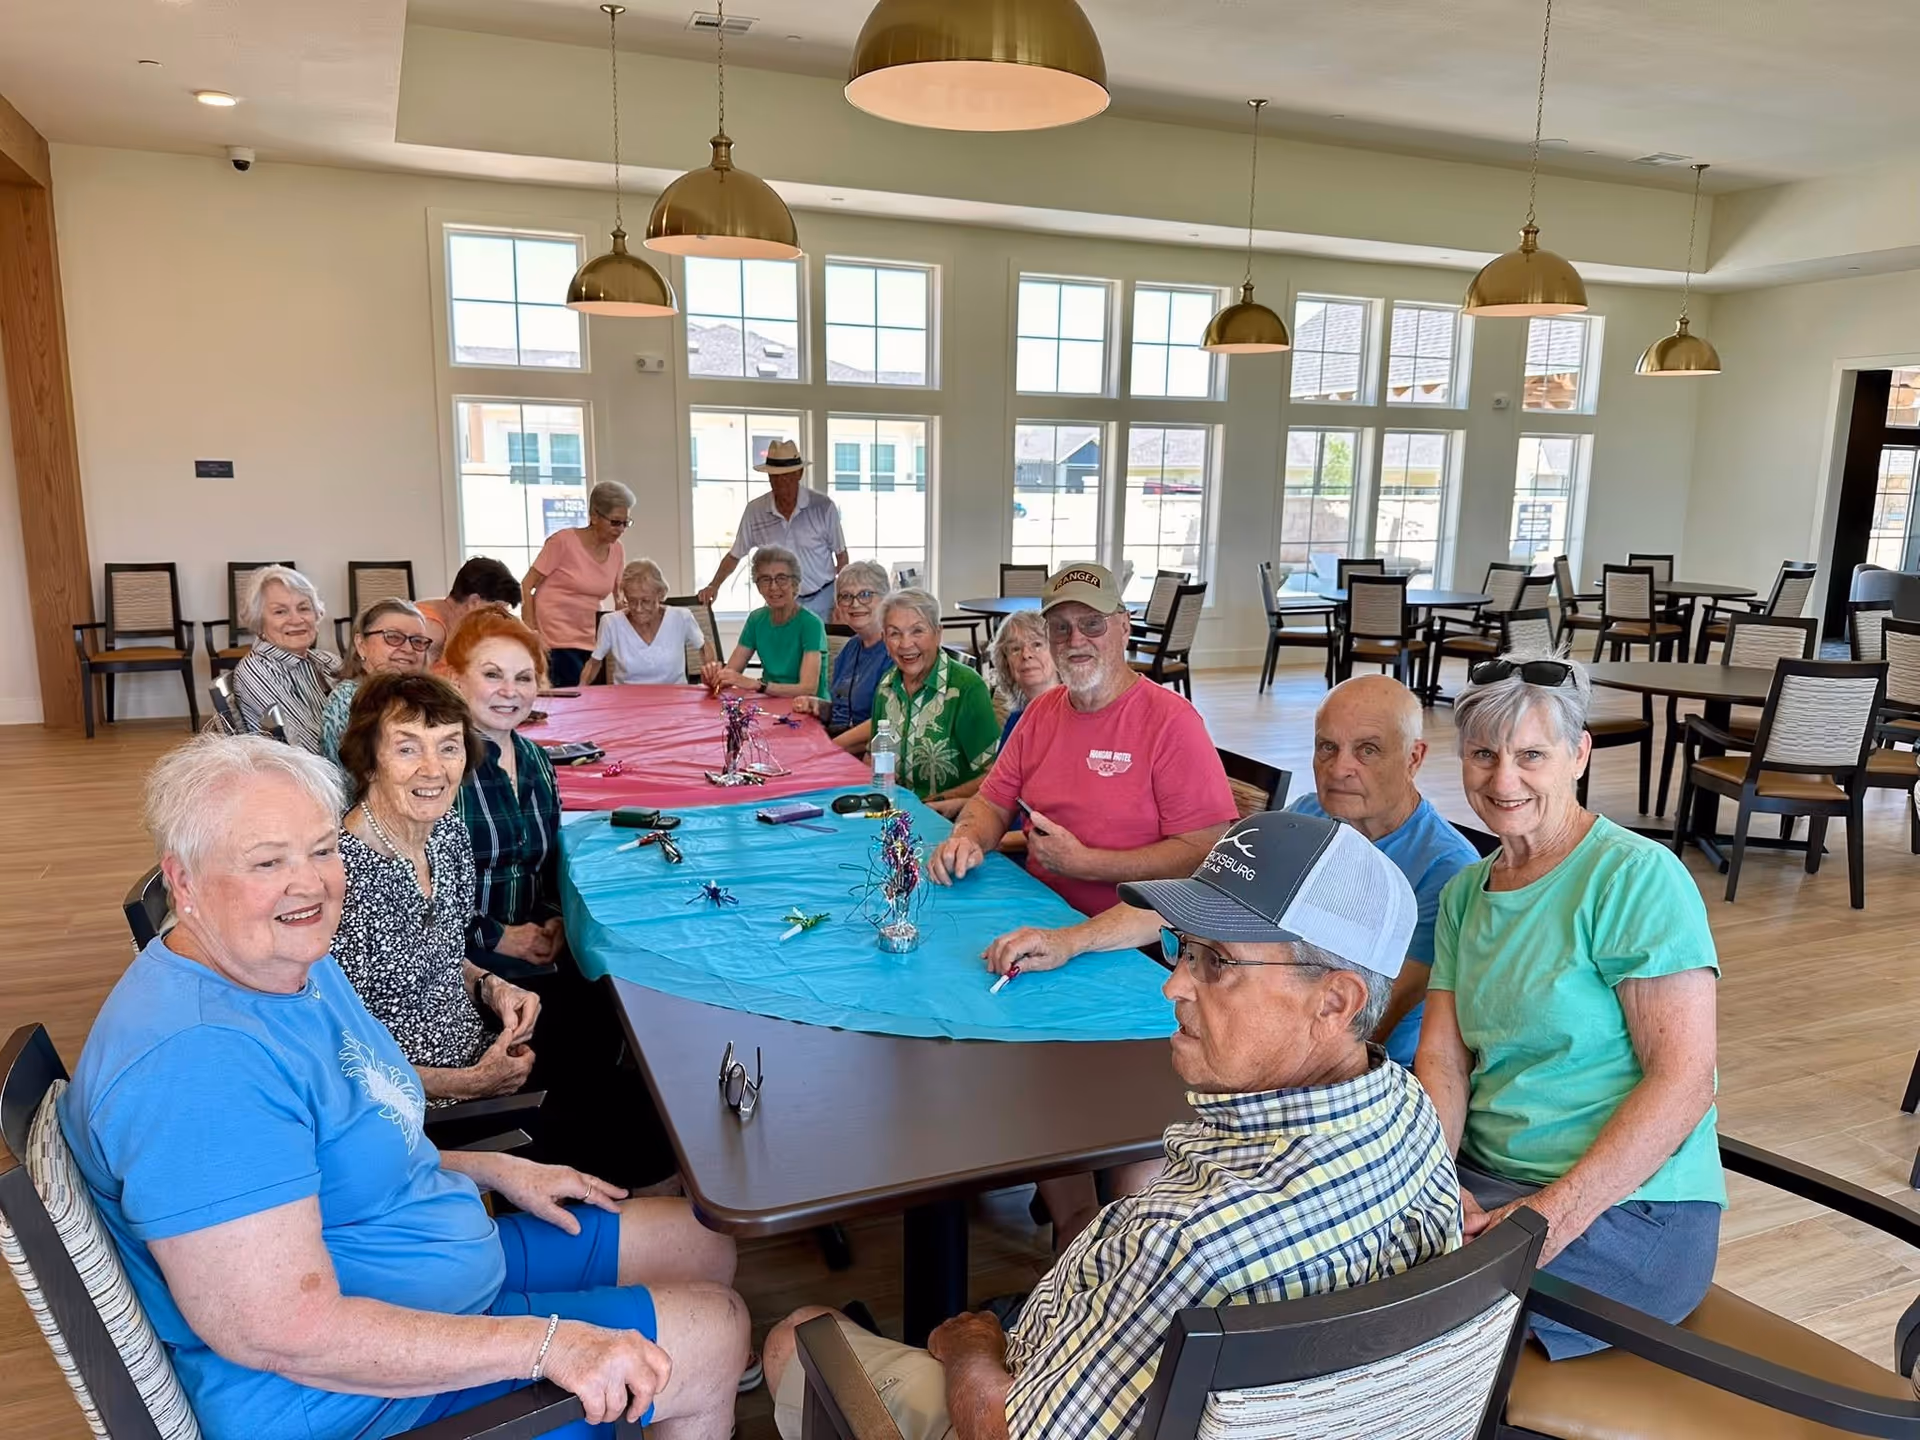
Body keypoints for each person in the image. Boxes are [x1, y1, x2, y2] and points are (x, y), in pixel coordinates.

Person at [60, 732, 749, 1440]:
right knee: (713, 1335)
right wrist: (551, 1344)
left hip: (421, 1257)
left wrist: (491, 1165)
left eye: (323, 849)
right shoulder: (200, 1068)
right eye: (267, 861)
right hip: (356, 1396)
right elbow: (287, 1334)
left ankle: (674, 1398)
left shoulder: (287, 961)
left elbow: (339, 1137)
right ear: (183, 882)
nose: (310, 884)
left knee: (703, 1245)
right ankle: (687, 1392)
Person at [762, 812, 1461, 1440]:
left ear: (1335, 1002)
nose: (1174, 986)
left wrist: (973, 1353)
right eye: (1183, 949)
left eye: (1216, 963)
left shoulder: (1188, 1244)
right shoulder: (1410, 1114)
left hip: (1017, 1409)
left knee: (797, 1338)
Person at [1415, 650, 1723, 1360]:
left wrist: (1546, 1218)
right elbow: (1443, 1060)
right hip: (1491, 1186)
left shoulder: (1637, 878)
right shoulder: (1468, 891)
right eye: (1483, 754)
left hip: (1628, 1211)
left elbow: (1684, 1084)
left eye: (1531, 754)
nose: (1503, 779)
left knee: (1386, 1297)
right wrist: (1429, 1182)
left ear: (1579, 754)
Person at [929, 564, 1236, 916]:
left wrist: (1091, 864)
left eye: (1092, 623)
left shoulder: (1173, 722)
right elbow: (992, 803)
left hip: (1126, 936)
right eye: (1061, 627)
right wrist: (967, 837)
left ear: (1124, 626)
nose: (1075, 640)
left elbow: (1203, 850)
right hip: (1034, 905)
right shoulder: (1040, 712)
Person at [334, 671, 544, 1104]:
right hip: (407, 1110)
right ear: (369, 760)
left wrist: (491, 985)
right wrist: (468, 1084)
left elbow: (437, 958)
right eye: (407, 748)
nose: (433, 769)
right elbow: (329, 1053)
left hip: (477, 1046)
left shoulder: (445, 831)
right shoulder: (335, 879)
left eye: (449, 746)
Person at [1287, 674, 1478, 1065]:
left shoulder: (1447, 871)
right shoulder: (1306, 817)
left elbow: (1372, 1019)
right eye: (1327, 747)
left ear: (1414, 758)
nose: (1340, 768)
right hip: (1292, 1029)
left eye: (1368, 750)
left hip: (1373, 1067)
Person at [445, 605, 562, 973]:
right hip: (461, 960)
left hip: (538, 944)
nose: (509, 692)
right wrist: (498, 937)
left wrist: (556, 921)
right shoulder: (439, 769)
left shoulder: (537, 761)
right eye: (492, 674)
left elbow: (548, 865)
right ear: (456, 680)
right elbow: (418, 893)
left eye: (524, 678)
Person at [829, 589, 1000, 803]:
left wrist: (935, 803)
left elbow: (995, 777)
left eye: (917, 631)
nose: (905, 644)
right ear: (884, 638)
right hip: (893, 813)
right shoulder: (886, 686)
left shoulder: (965, 688)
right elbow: (874, 758)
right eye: (894, 633)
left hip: (948, 818)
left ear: (938, 633)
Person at [925, 609, 1063, 820]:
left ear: (1057, 652)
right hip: (1003, 829)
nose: (1026, 654)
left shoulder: (1071, 718)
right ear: (1006, 663)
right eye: (1015, 649)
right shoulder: (1017, 719)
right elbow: (1001, 793)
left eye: (1037, 644)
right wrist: (956, 804)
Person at [695, 440, 847, 620]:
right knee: (781, 648)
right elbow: (735, 555)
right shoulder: (755, 511)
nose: (780, 482)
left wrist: (842, 600)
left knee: (823, 648)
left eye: (786, 476)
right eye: (774, 476)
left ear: (799, 473)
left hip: (823, 599)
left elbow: (842, 557)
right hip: (780, 603)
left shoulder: (823, 507)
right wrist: (714, 585)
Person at [523, 482, 632, 687]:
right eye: (615, 522)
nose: (621, 529)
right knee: (572, 699)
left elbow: (619, 597)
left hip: (591, 637)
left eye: (626, 523)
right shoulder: (563, 542)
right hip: (555, 638)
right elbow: (526, 585)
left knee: (594, 702)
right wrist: (531, 633)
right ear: (594, 516)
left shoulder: (617, 550)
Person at [229, 564, 340, 755]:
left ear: (317, 614)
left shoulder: (326, 661)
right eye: (280, 612)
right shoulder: (259, 671)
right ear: (259, 622)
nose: (296, 620)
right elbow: (308, 748)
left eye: (304, 608)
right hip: (313, 778)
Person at [701, 545, 829, 700]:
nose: (773, 587)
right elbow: (732, 673)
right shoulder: (756, 620)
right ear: (758, 587)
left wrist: (758, 685)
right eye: (765, 580)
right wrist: (713, 677)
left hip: (808, 708)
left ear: (795, 585)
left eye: (781, 578)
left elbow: (808, 689)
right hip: (769, 703)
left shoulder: (811, 624)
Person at [321, 598, 433, 762]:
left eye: (417, 641)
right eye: (393, 637)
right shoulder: (348, 700)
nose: (408, 649)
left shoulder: (432, 697)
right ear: (361, 644)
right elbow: (345, 778)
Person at [791, 560, 892, 737]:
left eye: (865, 594)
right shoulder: (850, 648)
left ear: (885, 599)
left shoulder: (895, 651)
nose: (854, 604)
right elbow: (845, 713)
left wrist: (831, 748)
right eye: (845, 596)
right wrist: (819, 706)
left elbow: (886, 724)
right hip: (840, 741)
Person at [580, 559, 713, 687]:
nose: (638, 609)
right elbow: (593, 663)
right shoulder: (610, 623)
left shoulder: (681, 617)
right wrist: (581, 689)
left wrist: (711, 669)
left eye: (646, 601)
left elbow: (704, 646)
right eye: (631, 601)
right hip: (626, 701)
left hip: (674, 699)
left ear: (660, 595)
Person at [419, 557, 524, 664]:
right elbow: (415, 678)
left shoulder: (455, 621)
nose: (499, 618)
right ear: (474, 602)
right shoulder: (432, 629)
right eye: (497, 610)